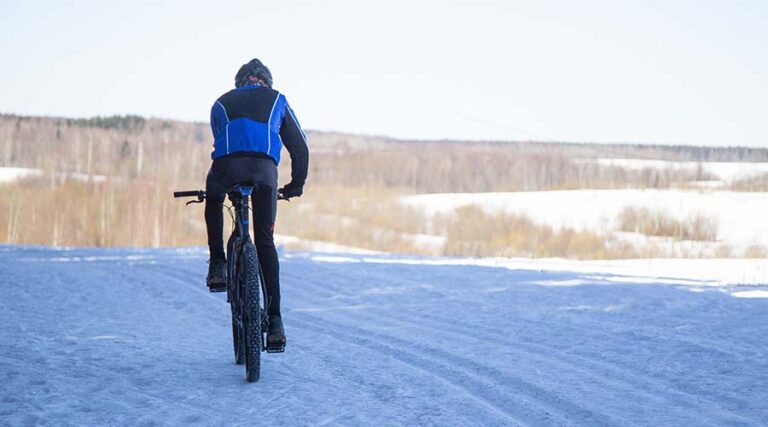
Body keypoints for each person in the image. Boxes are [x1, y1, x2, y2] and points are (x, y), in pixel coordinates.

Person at [205, 58, 308, 350]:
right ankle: (275, 322)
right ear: (267, 82)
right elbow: (299, 146)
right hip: (264, 174)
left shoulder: (221, 102)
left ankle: (217, 264)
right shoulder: (278, 100)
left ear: (240, 83)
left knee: (214, 198)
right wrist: (296, 185)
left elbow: (222, 140)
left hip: (227, 170)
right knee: (264, 240)